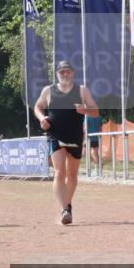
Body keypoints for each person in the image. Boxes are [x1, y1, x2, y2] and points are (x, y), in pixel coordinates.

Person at [32, 60, 99, 225]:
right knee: (60, 172)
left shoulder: (82, 90)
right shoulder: (48, 90)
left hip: (75, 136)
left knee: (72, 175)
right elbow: (37, 107)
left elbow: (95, 111)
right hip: (55, 134)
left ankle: (68, 205)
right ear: (57, 74)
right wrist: (42, 119)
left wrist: (84, 110)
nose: (65, 74)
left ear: (73, 73)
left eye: (68, 71)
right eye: (61, 72)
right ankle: (64, 210)